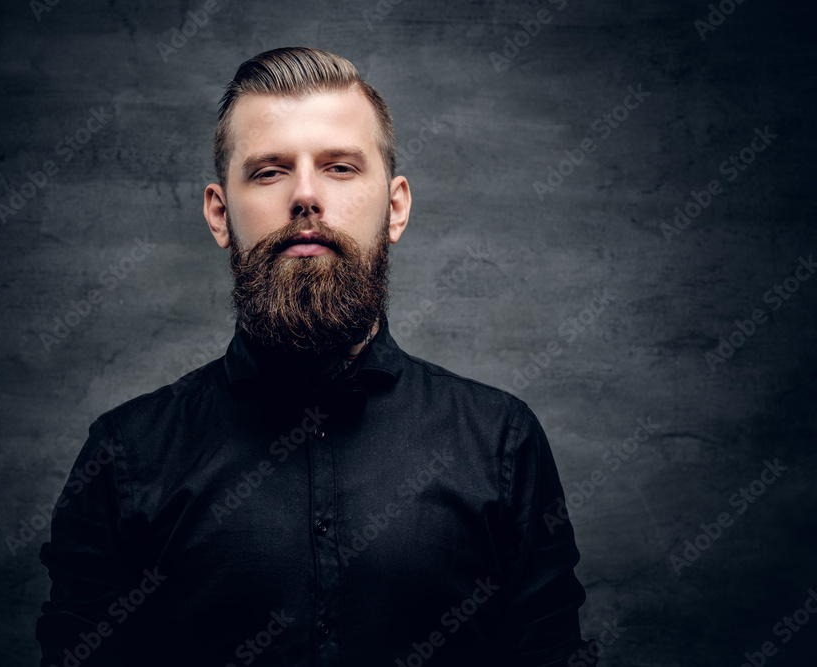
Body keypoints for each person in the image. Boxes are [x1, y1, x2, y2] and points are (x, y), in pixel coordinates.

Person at [37, 46, 594, 667]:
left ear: (396, 207)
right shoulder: (125, 458)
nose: (305, 196)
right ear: (220, 214)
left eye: (340, 168)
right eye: (270, 172)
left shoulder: (502, 445)